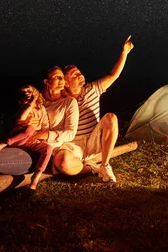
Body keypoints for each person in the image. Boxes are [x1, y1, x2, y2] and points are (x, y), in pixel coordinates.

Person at [0, 67, 79, 181]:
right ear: (46, 81)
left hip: (39, 149)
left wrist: (42, 134)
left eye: (62, 77)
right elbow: (14, 118)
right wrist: (21, 122)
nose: (62, 80)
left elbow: (70, 133)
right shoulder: (37, 100)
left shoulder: (69, 102)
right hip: (19, 137)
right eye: (57, 77)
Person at [52, 36, 134, 183]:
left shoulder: (92, 89)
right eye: (74, 75)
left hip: (93, 140)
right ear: (66, 83)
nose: (80, 75)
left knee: (111, 117)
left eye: (79, 72)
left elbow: (113, 75)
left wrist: (124, 53)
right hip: (73, 144)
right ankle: (91, 168)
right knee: (62, 162)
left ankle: (105, 165)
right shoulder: (61, 100)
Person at [0, 85, 52, 190]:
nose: (27, 94)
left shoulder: (41, 109)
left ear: (35, 92)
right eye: (24, 92)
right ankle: (2, 144)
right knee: (30, 128)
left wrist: (39, 133)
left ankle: (36, 176)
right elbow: (22, 118)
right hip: (17, 138)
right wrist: (31, 102)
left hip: (30, 139)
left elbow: (45, 127)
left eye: (29, 91)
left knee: (48, 148)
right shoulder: (22, 107)